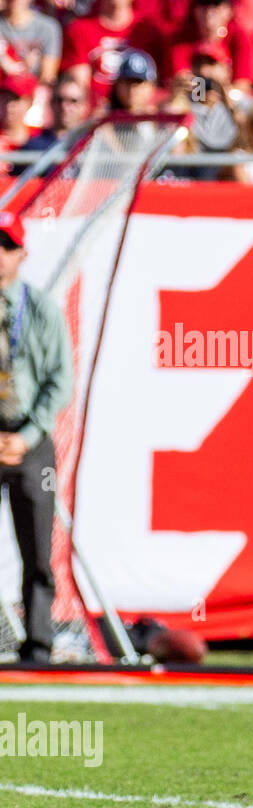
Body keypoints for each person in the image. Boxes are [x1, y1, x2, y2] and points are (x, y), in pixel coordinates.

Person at [0, 212, 73, 664]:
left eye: (6, 246)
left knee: (37, 546)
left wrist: (25, 436)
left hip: (28, 440)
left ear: (22, 254)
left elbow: (59, 381)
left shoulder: (41, 309)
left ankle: (39, 642)